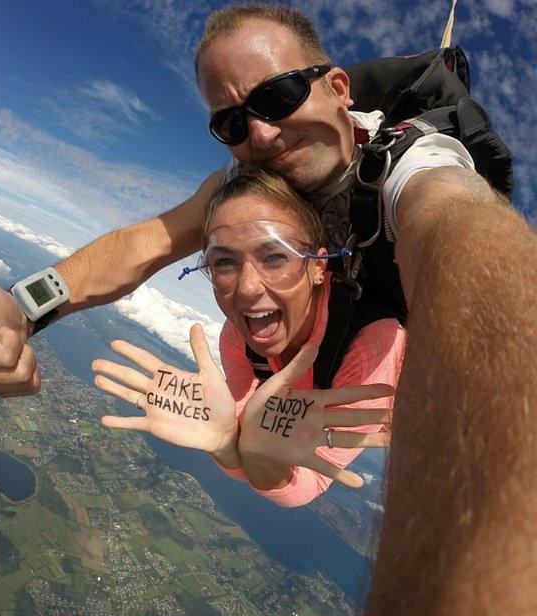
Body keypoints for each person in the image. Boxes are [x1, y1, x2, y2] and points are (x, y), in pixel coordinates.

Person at [0, 3, 537, 616]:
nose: (260, 135)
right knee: (255, 418)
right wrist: (27, 307)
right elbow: (147, 243)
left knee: (329, 403)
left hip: (361, 331)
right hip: (281, 360)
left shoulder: (414, 169)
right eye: (231, 121)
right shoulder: (246, 186)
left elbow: (462, 230)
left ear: (337, 86)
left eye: (275, 98)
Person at [92, 166, 404, 505]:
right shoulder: (239, 338)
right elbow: (248, 441)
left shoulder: (371, 349)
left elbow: (311, 482)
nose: (248, 287)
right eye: (224, 262)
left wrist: (255, 455)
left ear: (317, 267)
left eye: (274, 257)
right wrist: (229, 445)